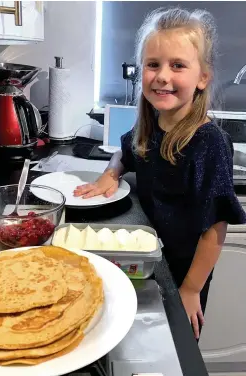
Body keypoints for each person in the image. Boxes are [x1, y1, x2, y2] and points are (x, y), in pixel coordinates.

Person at [74, 7, 246, 339]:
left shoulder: (208, 142)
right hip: (149, 259)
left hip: (184, 272)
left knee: (175, 345)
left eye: (177, 65)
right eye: (153, 64)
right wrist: (111, 173)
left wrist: (192, 288)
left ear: (202, 78)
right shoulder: (151, 124)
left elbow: (215, 228)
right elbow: (124, 154)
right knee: (137, 335)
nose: (162, 76)